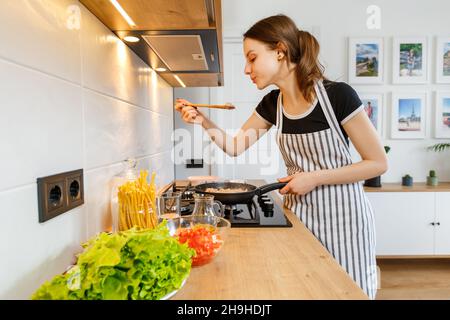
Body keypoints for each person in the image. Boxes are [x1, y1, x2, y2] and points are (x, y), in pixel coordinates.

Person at [175, 14, 387, 299]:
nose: (246, 69)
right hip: (299, 216)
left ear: (280, 51)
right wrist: (203, 120)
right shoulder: (272, 103)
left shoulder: (338, 96)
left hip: (345, 220)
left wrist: (313, 178)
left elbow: (377, 162)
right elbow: (236, 146)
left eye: (252, 58)